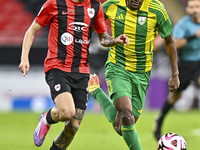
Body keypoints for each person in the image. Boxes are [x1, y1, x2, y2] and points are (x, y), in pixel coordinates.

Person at [18, 0, 129, 149]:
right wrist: (24, 58)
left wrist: (115, 40)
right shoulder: (54, 4)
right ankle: (46, 119)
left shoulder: (95, 7)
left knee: (73, 127)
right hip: (57, 67)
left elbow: (103, 38)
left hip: (82, 71)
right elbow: (31, 31)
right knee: (67, 112)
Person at [87, 0, 180, 149]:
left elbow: (169, 40)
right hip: (118, 68)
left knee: (122, 127)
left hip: (142, 74)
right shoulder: (111, 5)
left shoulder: (157, 9)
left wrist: (175, 74)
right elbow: (87, 26)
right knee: (125, 113)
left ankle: (96, 91)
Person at [154, 0, 200, 141]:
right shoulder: (183, 24)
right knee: (176, 96)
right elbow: (176, 43)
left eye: (197, 7)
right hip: (186, 63)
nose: (194, 10)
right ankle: (159, 120)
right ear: (187, 9)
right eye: (191, 7)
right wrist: (193, 36)